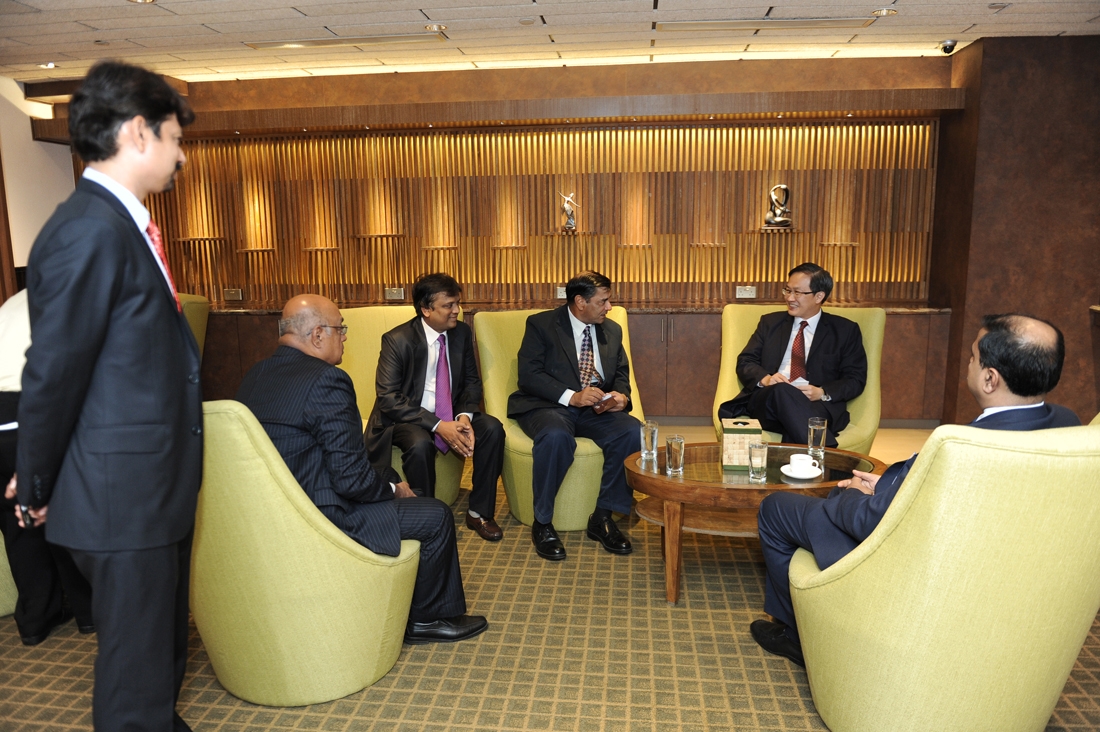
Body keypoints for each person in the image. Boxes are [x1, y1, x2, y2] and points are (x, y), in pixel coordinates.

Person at [14, 61, 203, 730]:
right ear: (137, 132)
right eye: (175, 139)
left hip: (147, 491)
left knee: (156, 666)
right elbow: (53, 372)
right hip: (121, 496)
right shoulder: (89, 230)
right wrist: (36, 482)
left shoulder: (120, 224)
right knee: (134, 685)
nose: (181, 156)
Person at [751, 314, 1081, 668]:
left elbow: (869, 522)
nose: (968, 363)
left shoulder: (958, 448)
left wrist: (853, 494)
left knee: (777, 508)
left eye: (972, 357)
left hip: (909, 570)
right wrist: (888, 484)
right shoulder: (1069, 426)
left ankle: (800, 639)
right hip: (992, 567)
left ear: (990, 378)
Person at [236, 294, 488, 644]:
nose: (345, 337)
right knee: (436, 515)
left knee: (387, 474)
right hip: (322, 513)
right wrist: (394, 491)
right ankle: (427, 620)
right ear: (318, 335)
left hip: (275, 503)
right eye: (340, 329)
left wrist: (389, 481)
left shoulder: (256, 374)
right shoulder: (328, 381)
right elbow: (351, 481)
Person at [508, 270, 641, 561]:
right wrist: (572, 396)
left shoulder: (612, 330)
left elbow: (620, 373)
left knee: (632, 431)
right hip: (549, 405)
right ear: (580, 302)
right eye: (603, 301)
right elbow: (529, 375)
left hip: (595, 409)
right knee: (556, 437)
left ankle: (603, 517)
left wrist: (621, 396)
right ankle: (543, 522)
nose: (609, 307)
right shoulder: (542, 325)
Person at [365, 273, 505, 541]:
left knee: (492, 429)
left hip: (451, 410)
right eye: (448, 305)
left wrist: (463, 416)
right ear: (426, 309)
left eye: (457, 303)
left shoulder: (461, 333)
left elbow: (472, 381)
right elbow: (389, 398)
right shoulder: (397, 339)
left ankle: (479, 513)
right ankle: (427, 518)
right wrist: (439, 425)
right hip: (407, 417)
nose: (456, 310)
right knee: (420, 444)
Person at [1, 290, 94, 646]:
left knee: (15, 517)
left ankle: (35, 619)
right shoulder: (70, 293)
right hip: (27, 405)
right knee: (61, 505)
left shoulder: (14, 301)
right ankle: (88, 612)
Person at [717, 262, 867, 448]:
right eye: (787, 290)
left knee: (796, 419)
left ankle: (798, 464)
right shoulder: (770, 323)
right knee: (783, 392)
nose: (789, 298)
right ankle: (827, 455)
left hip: (816, 404)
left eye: (797, 293)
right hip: (769, 402)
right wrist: (766, 379)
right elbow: (746, 361)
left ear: (819, 296)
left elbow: (855, 378)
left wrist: (822, 392)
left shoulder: (844, 330)